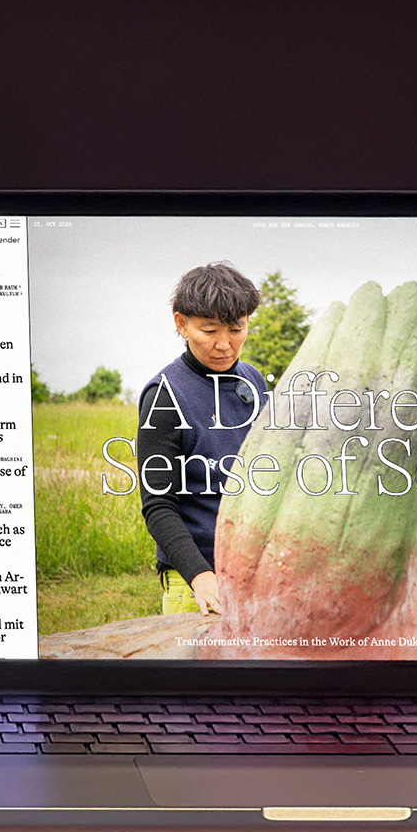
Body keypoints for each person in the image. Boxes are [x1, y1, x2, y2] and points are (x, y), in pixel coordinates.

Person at [137, 262, 269, 614]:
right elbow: (158, 505)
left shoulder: (253, 381)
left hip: (255, 573)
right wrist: (200, 576)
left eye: (236, 329)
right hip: (196, 581)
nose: (224, 344)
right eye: (209, 331)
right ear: (181, 324)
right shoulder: (165, 396)